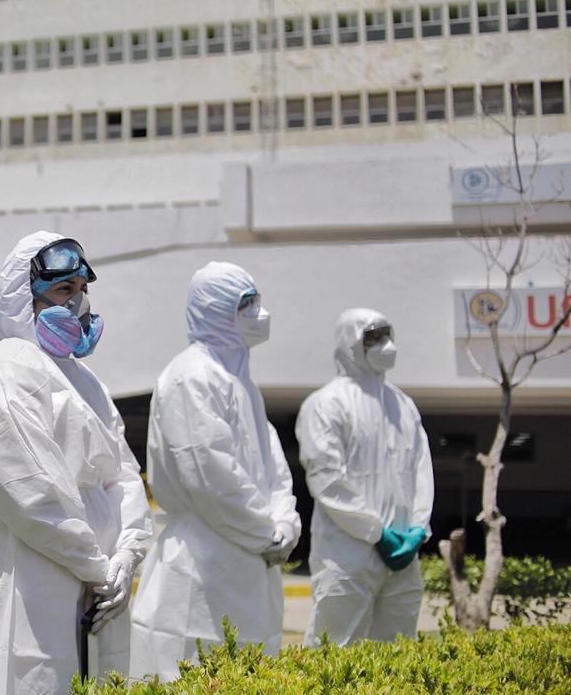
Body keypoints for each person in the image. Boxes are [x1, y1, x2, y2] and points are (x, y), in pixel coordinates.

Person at [0, 232, 151, 694]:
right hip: (23, 571)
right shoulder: (3, 367)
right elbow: (28, 491)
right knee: (25, 676)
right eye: (64, 291)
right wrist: (95, 564)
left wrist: (127, 554)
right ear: (24, 298)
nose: (78, 304)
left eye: (82, 291)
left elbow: (123, 475)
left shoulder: (88, 385)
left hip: (99, 582)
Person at [129, 261, 300, 682]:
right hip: (200, 568)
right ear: (216, 309)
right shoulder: (191, 376)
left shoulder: (242, 383)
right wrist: (265, 532)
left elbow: (273, 467)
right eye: (247, 304)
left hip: (253, 561)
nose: (259, 314)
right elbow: (209, 475)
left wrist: (285, 522)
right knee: (191, 673)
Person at [296, 308, 434, 646]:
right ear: (351, 343)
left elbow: (421, 470)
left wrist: (417, 529)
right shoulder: (325, 404)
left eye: (387, 336)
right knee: (334, 651)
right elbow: (327, 479)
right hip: (348, 554)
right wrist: (377, 533)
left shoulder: (402, 404)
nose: (384, 345)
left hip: (403, 553)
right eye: (373, 337)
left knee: (396, 653)